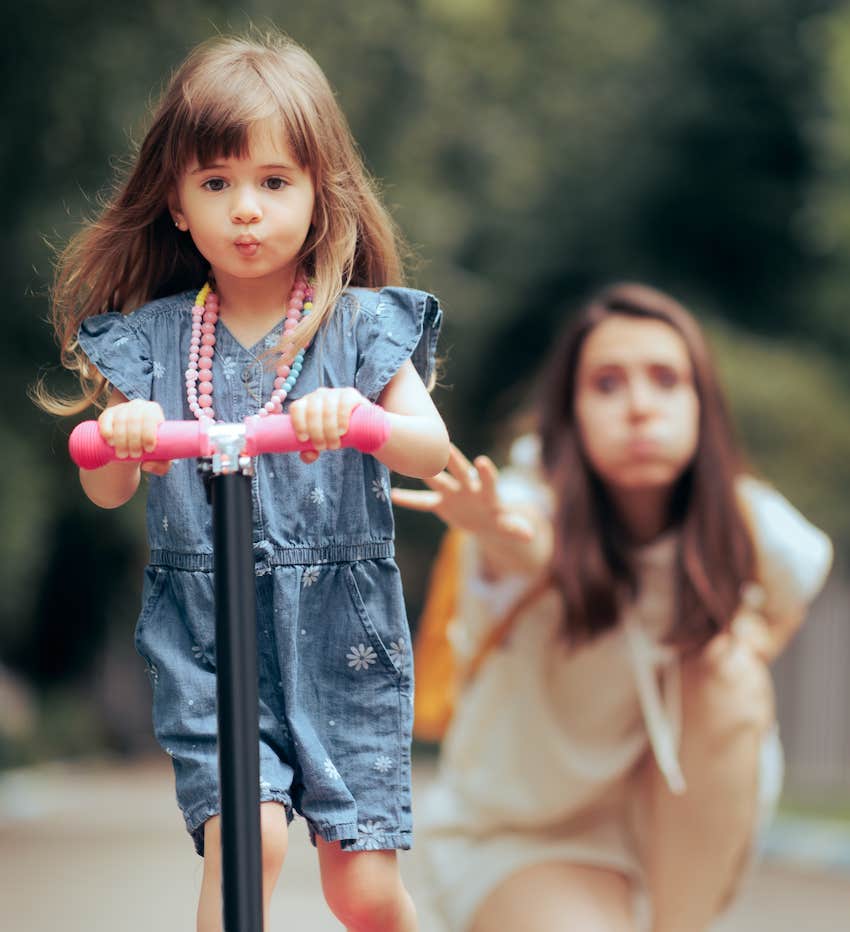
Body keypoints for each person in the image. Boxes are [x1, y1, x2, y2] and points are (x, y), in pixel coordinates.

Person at [37, 31, 449, 932]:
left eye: (273, 182)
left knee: (364, 892)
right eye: (217, 184)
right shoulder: (148, 343)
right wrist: (122, 440)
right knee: (247, 843)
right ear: (178, 205)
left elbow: (432, 449)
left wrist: (367, 419)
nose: (246, 210)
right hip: (210, 636)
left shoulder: (359, 329)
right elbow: (105, 490)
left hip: (342, 627)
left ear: (317, 193)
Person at [392, 282, 833, 932]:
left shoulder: (745, 523)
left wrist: (738, 655)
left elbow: (798, 586)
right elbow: (528, 546)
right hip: (524, 837)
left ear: (700, 404)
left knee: (729, 665)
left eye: (665, 379)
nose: (639, 407)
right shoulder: (531, 502)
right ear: (570, 412)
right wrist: (490, 527)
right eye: (607, 384)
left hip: (669, 829)